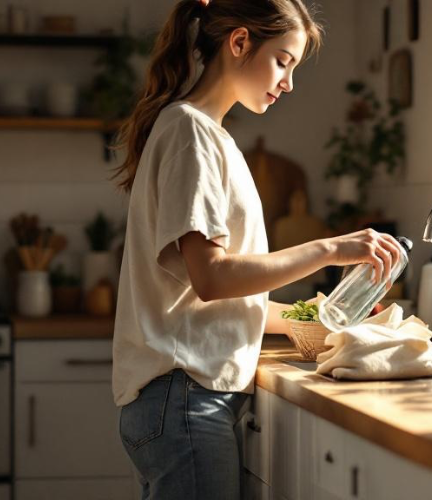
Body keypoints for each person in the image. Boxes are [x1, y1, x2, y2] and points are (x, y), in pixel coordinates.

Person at [110, 1, 403, 498]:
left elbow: (220, 299)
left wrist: (322, 320)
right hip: (184, 401)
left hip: (180, 402)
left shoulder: (207, 136)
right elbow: (213, 277)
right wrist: (331, 248)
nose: (288, 82)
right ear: (240, 43)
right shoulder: (191, 133)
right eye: (283, 61)